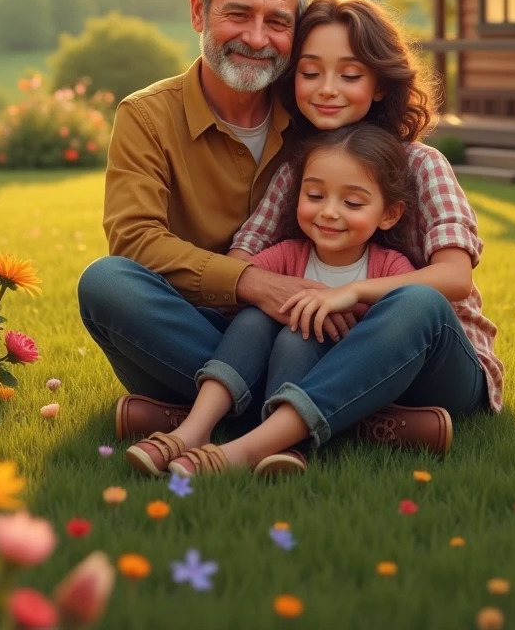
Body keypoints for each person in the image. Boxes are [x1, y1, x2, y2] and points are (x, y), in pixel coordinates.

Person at [126, 123, 417, 477]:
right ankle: (194, 429)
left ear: (389, 213)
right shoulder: (285, 255)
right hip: (264, 371)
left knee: (300, 336)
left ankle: (284, 442)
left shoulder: (390, 268)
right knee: (255, 317)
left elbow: (398, 330)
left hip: (332, 385)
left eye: (352, 202)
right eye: (314, 196)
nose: (329, 212)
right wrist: (278, 303)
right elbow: (234, 296)